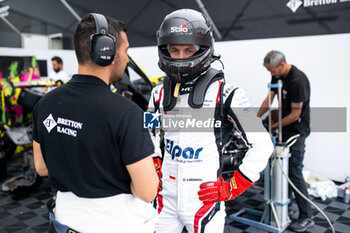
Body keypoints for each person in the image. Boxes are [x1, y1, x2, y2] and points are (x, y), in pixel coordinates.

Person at [148, 9, 273, 233]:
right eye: (174, 50)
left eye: (188, 50)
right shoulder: (157, 94)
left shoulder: (228, 93)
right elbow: (147, 132)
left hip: (204, 198)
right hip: (165, 196)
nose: (180, 57)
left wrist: (234, 185)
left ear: (204, 49)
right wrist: (154, 164)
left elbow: (263, 144)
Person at [32, 13, 159, 233]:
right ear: (106, 50)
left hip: (64, 222)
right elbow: (148, 191)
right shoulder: (127, 113)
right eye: (126, 50)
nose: (127, 59)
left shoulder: (45, 104)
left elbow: (42, 168)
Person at [257, 50, 313, 232]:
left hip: (297, 130)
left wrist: (272, 127)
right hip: (282, 126)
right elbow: (269, 99)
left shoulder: (298, 81)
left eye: (272, 71)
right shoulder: (277, 76)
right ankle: (285, 206)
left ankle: (307, 216)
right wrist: (254, 120)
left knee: (294, 172)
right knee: (281, 170)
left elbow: (296, 114)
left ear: (281, 65)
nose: (271, 75)